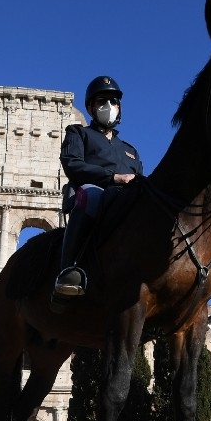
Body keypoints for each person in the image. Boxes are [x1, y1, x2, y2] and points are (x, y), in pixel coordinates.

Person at [55, 76, 144, 297]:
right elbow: (72, 164)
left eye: (113, 101)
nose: (108, 106)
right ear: (91, 108)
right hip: (95, 193)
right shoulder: (79, 133)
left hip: (129, 200)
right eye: (102, 101)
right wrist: (114, 178)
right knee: (91, 195)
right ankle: (68, 269)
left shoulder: (129, 149)